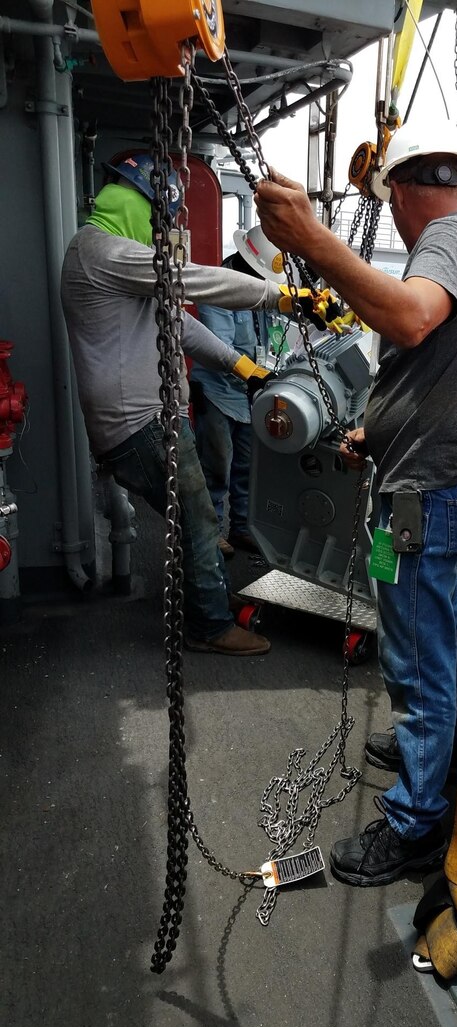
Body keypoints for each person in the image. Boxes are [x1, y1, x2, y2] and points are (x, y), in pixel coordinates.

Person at [254, 121, 457, 886]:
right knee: (424, 632)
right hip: (416, 486)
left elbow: (407, 317)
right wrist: (376, 429)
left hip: (422, 499)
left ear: (399, 192)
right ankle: (427, 751)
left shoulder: (448, 241)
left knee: (420, 649)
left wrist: (312, 238)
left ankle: (416, 822)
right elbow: (438, 365)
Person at [61, 151, 330, 656]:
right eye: (160, 218)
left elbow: (179, 324)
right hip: (138, 425)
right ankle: (209, 624)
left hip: (150, 420)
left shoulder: (111, 254)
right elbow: (191, 280)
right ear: (138, 204)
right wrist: (281, 297)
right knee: (198, 516)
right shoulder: (101, 252)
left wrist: (241, 366)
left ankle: (202, 590)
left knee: (194, 514)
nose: (163, 231)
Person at [190, 226, 288, 559]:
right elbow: (221, 349)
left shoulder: (263, 292)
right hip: (219, 393)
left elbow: (276, 336)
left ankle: (242, 527)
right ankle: (211, 531)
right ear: (246, 264)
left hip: (251, 397)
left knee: (247, 465)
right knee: (216, 465)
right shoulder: (219, 289)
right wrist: (256, 374)